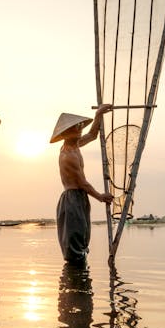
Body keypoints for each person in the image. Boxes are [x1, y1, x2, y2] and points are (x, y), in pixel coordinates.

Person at [50, 104, 113, 264]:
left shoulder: (75, 145)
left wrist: (99, 114)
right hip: (72, 199)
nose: (80, 131)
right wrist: (100, 196)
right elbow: (82, 183)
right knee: (75, 246)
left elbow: (92, 134)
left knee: (83, 241)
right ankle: (74, 279)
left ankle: (80, 284)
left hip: (80, 198)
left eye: (80, 128)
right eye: (77, 129)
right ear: (67, 134)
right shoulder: (68, 155)